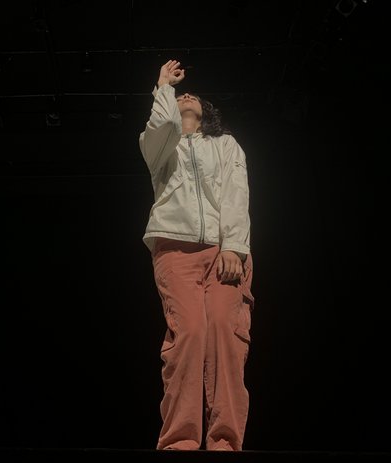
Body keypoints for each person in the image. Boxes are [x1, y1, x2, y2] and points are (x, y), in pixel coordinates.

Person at [138, 59, 255, 451]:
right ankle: (180, 442)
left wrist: (234, 246)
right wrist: (163, 87)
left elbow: (236, 193)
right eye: (180, 96)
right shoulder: (158, 147)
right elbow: (162, 125)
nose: (188, 95)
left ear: (208, 112)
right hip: (175, 249)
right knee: (189, 333)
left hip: (225, 252)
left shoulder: (226, 145)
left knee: (225, 334)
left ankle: (225, 443)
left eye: (194, 96)